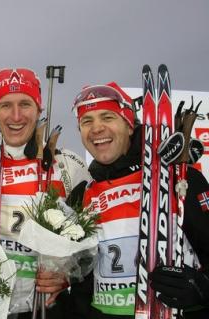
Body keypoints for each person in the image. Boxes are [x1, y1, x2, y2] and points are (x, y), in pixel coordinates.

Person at [46, 81, 209, 318]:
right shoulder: (82, 194)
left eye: (107, 117)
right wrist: (60, 282)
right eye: (86, 121)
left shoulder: (179, 177)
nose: (96, 128)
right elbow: (80, 277)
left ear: (130, 125)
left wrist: (201, 288)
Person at [0, 68, 91, 317]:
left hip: (46, 307)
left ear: (39, 110)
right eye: (6, 105)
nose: (16, 115)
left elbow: (95, 242)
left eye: (25, 104)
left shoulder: (68, 166)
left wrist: (68, 276)